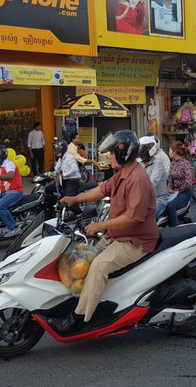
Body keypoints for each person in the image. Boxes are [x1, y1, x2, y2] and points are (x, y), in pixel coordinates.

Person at [52, 131, 159, 334]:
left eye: (111, 154)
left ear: (122, 154)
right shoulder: (122, 174)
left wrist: (100, 226)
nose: (108, 157)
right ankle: (89, 299)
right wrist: (74, 199)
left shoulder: (137, 179)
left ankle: (80, 318)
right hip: (117, 236)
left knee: (98, 266)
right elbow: (101, 191)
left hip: (135, 240)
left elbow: (133, 218)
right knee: (85, 257)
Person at [139, 135, 169, 218]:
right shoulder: (139, 164)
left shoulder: (158, 163)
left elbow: (152, 182)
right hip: (142, 200)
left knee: (147, 217)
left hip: (157, 200)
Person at [165, 141, 193, 227]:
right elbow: (170, 180)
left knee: (170, 206)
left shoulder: (185, 164)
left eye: (170, 151)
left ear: (175, 152)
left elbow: (188, 182)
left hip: (184, 192)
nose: (168, 153)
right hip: (174, 192)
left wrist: (176, 191)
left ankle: (174, 228)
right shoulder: (172, 164)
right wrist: (169, 190)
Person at [54, 139, 83, 217]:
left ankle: (80, 215)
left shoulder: (69, 157)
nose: (57, 151)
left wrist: (64, 174)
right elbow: (57, 168)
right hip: (65, 181)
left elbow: (74, 169)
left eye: (58, 149)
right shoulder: (61, 159)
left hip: (72, 181)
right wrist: (50, 174)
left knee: (69, 201)